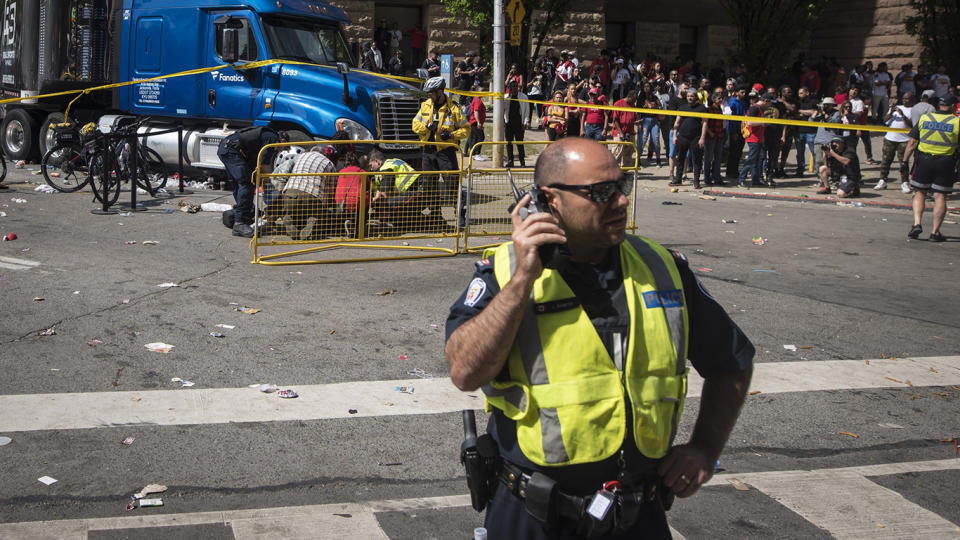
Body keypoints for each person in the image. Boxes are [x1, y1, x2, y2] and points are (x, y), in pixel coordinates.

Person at [445, 137, 754, 539]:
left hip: (637, 513)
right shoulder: (503, 272)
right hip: (533, 515)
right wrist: (524, 280)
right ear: (548, 201)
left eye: (622, 186)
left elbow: (732, 362)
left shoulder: (661, 269)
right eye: (601, 192)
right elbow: (465, 372)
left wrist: (705, 449)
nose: (622, 201)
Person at [412, 76, 470, 223]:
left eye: (431, 93)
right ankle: (435, 215)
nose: (429, 96)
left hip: (446, 152)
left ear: (439, 92)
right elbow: (415, 125)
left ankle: (460, 214)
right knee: (429, 185)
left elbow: (466, 129)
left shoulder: (453, 108)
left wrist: (451, 134)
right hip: (428, 151)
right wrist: (426, 127)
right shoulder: (426, 105)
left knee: (452, 183)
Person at [903, 95, 960, 242]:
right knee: (940, 196)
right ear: (953, 107)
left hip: (924, 161)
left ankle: (917, 223)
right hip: (945, 162)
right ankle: (935, 232)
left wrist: (904, 162)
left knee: (920, 192)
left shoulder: (925, 118)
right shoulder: (957, 122)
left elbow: (912, 142)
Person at [217, 126, 287, 238]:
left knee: (239, 184)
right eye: (283, 148)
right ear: (283, 140)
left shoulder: (264, 137)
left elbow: (256, 165)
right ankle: (240, 223)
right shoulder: (272, 139)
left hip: (226, 148)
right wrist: (269, 184)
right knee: (247, 183)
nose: (281, 151)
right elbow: (264, 164)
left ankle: (245, 213)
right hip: (232, 151)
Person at [280, 147, 337, 241]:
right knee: (314, 215)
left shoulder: (301, 156)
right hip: (312, 194)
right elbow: (330, 189)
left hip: (290, 191)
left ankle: (289, 221)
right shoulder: (329, 163)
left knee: (290, 212)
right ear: (324, 154)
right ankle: (307, 231)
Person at [366, 149, 427, 231]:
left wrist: (370, 202)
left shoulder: (386, 168)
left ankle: (421, 222)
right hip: (420, 190)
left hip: (419, 193)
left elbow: (384, 194)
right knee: (397, 220)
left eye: (371, 165)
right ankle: (416, 221)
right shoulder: (392, 161)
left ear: (377, 161)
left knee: (387, 204)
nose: (371, 169)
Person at [876, 92, 913, 190]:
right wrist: (891, 112)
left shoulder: (912, 110)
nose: (905, 100)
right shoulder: (896, 108)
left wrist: (903, 115)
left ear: (912, 99)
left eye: (907, 98)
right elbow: (885, 121)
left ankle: (905, 182)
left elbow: (912, 125)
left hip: (904, 140)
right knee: (886, 160)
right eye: (904, 98)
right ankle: (882, 180)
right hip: (890, 139)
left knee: (903, 162)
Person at [672, 88, 707, 188]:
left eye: (692, 96)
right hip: (682, 137)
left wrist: (702, 138)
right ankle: (678, 179)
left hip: (696, 137)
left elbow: (704, 124)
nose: (690, 98)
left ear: (696, 97)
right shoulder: (682, 107)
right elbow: (677, 122)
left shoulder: (702, 108)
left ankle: (696, 181)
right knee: (680, 159)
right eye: (688, 96)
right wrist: (675, 135)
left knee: (697, 160)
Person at [738, 93, 768, 188]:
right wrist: (763, 122)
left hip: (758, 138)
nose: (770, 106)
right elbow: (750, 122)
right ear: (765, 101)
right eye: (770, 103)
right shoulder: (755, 108)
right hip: (753, 138)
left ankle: (755, 180)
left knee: (756, 160)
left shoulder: (759, 108)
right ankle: (741, 179)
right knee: (751, 159)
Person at [504, 80, 530, 167]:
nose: (514, 88)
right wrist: (508, 97)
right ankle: (510, 160)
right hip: (508, 123)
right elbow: (503, 109)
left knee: (520, 143)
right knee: (509, 143)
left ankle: (522, 162)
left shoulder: (523, 97)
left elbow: (527, 111)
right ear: (510, 88)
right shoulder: (506, 97)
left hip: (519, 123)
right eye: (512, 86)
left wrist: (526, 122)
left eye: (516, 86)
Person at [795, 86, 820, 177]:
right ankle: (800, 171)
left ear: (807, 93)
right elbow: (796, 113)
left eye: (801, 93)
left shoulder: (814, 102)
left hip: (811, 131)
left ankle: (818, 171)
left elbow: (814, 111)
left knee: (815, 152)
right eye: (799, 93)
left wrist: (802, 112)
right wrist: (808, 112)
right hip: (800, 131)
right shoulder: (798, 103)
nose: (799, 95)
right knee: (800, 152)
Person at [610, 90, 639, 168]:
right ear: (629, 97)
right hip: (619, 133)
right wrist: (621, 132)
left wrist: (637, 122)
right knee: (617, 153)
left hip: (630, 133)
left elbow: (634, 118)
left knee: (628, 154)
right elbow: (615, 120)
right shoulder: (618, 104)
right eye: (634, 99)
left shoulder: (633, 105)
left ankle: (624, 171)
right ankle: (613, 171)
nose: (635, 101)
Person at [725, 84, 748, 179]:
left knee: (739, 152)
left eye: (744, 92)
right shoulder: (733, 102)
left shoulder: (743, 102)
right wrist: (733, 132)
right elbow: (731, 119)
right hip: (734, 130)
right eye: (742, 92)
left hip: (742, 130)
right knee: (733, 152)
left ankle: (735, 170)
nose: (744, 94)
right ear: (737, 93)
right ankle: (730, 171)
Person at [703, 91, 726, 185]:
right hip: (711, 137)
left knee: (718, 158)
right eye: (718, 98)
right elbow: (704, 123)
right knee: (708, 158)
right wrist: (709, 133)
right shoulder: (709, 109)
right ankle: (707, 178)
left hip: (719, 136)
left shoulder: (720, 108)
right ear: (713, 99)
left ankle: (717, 177)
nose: (721, 100)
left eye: (721, 98)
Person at [464, 84, 487, 161]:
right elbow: (476, 111)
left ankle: (473, 153)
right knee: (480, 137)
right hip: (474, 122)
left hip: (474, 122)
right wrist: (478, 122)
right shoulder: (477, 100)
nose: (483, 92)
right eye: (481, 91)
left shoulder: (477, 99)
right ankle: (476, 153)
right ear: (477, 92)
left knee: (474, 138)